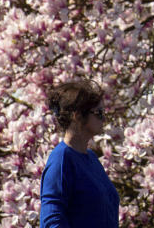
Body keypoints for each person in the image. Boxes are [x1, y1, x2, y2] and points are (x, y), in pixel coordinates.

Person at [40, 79, 120, 228]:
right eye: (99, 113)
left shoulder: (92, 159)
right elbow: (51, 220)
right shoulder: (62, 159)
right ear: (77, 116)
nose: (104, 118)